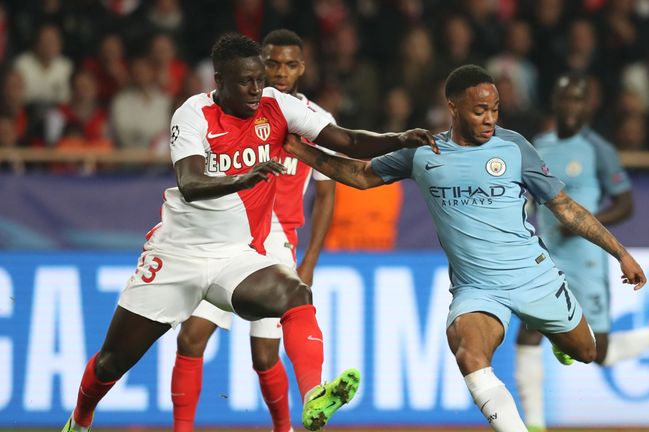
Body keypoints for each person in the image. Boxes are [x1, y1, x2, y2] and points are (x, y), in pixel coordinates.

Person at [61, 33, 434, 432]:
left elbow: (345, 140)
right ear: (219, 81)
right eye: (246, 81)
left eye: (260, 79)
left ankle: (312, 395)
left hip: (236, 256)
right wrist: (244, 178)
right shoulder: (193, 114)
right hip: (178, 254)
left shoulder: (278, 105)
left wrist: (396, 139)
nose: (258, 89)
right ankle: (80, 419)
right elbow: (190, 182)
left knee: (296, 294)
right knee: (111, 362)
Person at [283, 64, 647, 432]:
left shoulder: (514, 147)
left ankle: (558, 336)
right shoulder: (424, 153)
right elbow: (360, 177)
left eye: (495, 109)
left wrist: (620, 252)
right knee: (469, 353)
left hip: (534, 276)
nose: (489, 119)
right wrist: (300, 150)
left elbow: (565, 207)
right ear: (453, 108)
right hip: (478, 289)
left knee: (586, 352)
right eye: (479, 111)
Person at [170, 29, 336, 432]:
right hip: (228, 237)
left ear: (302, 68)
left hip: (279, 242)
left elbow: (328, 195)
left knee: (263, 356)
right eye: (272, 63)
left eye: (289, 64)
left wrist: (309, 262)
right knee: (191, 337)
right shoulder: (243, 109)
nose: (280, 72)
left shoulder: (311, 120)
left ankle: (286, 427)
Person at [514, 74, 649, 432]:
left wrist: (581, 222)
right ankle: (533, 424)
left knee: (600, 353)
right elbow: (529, 195)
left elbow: (626, 205)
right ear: (555, 103)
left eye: (577, 100)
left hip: (587, 260)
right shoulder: (537, 146)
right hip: (546, 259)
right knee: (528, 334)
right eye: (564, 99)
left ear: (587, 105)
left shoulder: (599, 149)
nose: (569, 107)